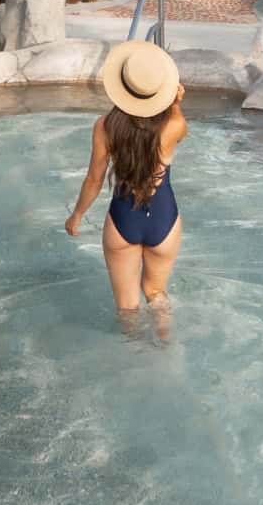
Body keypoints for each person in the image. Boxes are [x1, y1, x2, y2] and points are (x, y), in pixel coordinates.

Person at [64, 40, 187, 317]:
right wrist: (176, 105)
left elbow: (94, 179)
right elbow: (178, 124)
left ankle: (133, 351)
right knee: (156, 294)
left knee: (127, 308)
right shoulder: (174, 125)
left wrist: (77, 215)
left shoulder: (105, 126)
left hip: (122, 220)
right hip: (163, 218)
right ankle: (166, 347)